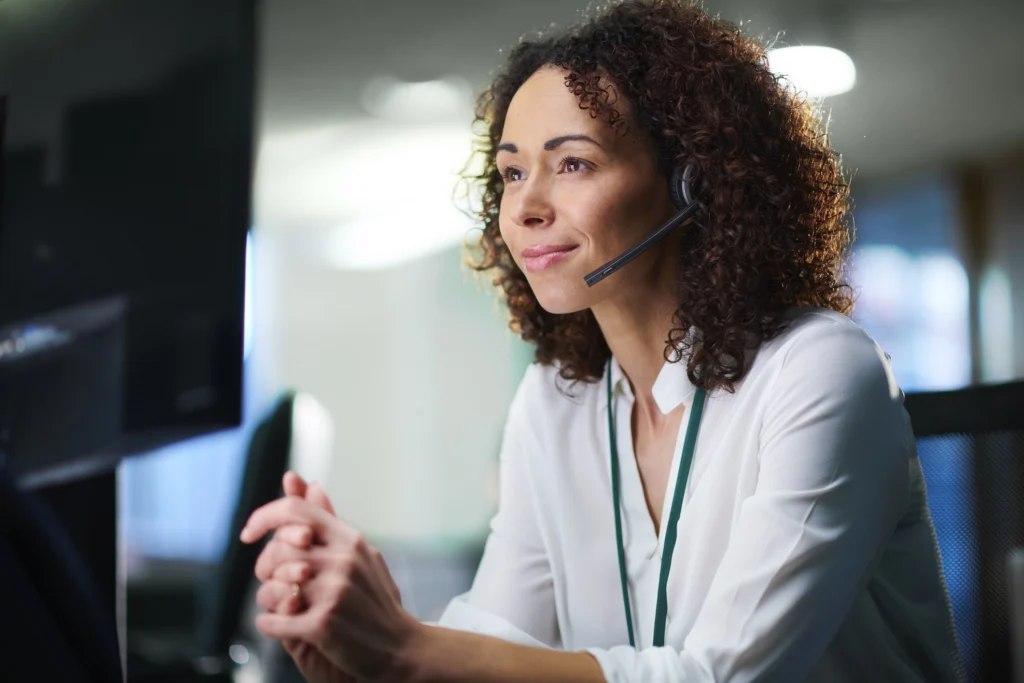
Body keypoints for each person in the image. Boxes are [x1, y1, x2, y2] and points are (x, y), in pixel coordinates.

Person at [239, 1, 965, 680]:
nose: (524, 207)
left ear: (694, 182)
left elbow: (719, 675)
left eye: (574, 164)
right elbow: (496, 639)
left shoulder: (819, 369)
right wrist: (371, 660)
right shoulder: (556, 398)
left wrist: (407, 646)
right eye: (513, 172)